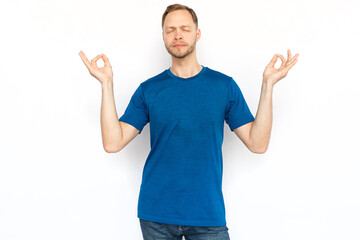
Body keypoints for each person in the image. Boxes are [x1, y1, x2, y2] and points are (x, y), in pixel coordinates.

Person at [79, 3, 299, 240]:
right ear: (163, 36)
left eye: (184, 28)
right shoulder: (149, 90)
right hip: (156, 215)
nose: (177, 35)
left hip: (207, 215)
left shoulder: (223, 86)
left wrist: (268, 85)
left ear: (197, 33)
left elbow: (258, 144)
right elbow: (113, 143)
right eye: (170, 29)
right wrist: (106, 83)